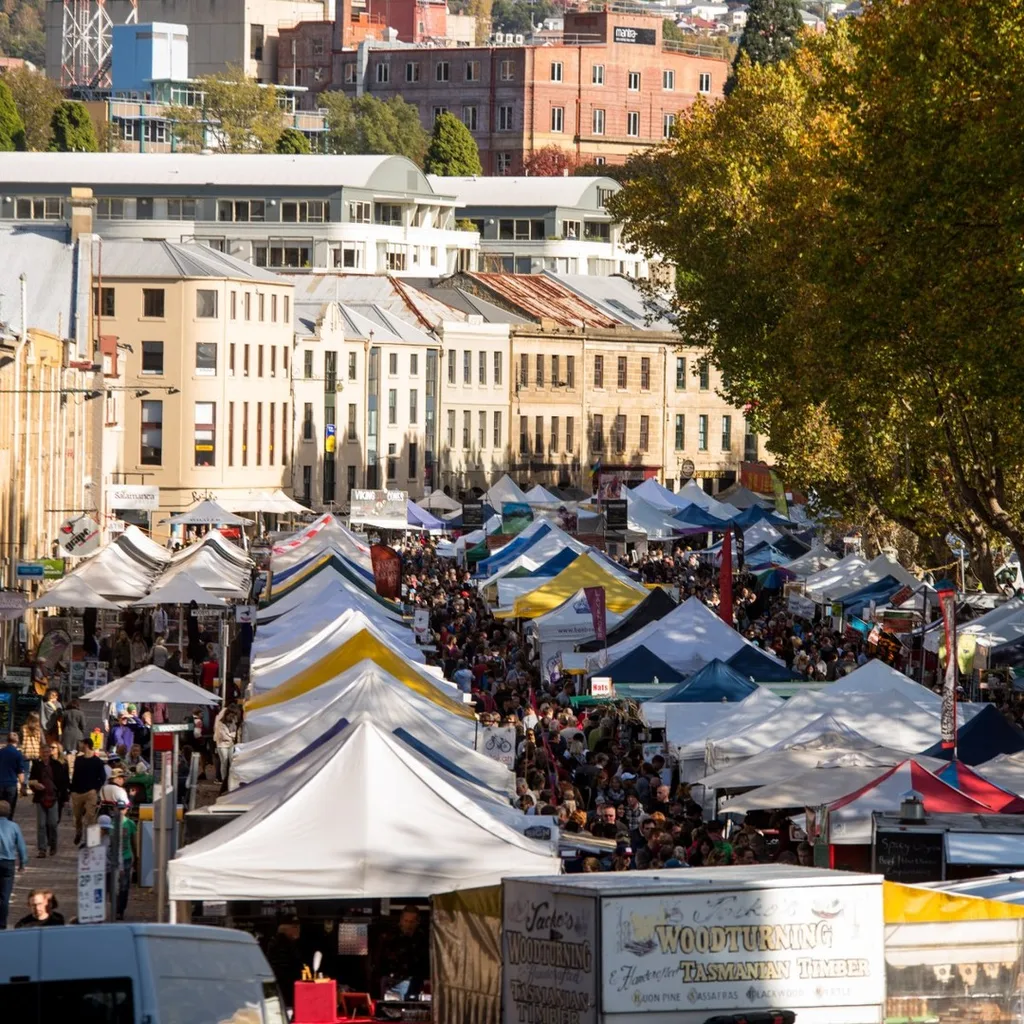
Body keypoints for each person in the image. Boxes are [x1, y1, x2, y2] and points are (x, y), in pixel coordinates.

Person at [374, 905, 430, 998]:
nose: (408, 925)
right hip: (393, 981)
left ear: (417, 922)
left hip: (415, 981)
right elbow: (379, 959)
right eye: (406, 921)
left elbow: (426, 960)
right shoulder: (390, 937)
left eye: (411, 922)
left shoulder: (422, 938)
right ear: (401, 920)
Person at [29, 741, 69, 857]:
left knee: (52, 823)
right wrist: (35, 785)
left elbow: (63, 783)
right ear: (40, 753)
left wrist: (65, 798)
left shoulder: (57, 765)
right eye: (43, 752)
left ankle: (53, 845)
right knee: (41, 825)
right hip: (41, 797)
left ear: (50, 753)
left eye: (47, 751)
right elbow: (31, 780)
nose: (45, 754)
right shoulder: (37, 765)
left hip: (54, 797)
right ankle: (42, 849)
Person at [70, 739, 106, 845]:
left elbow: (102, 777)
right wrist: (72, 790)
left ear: (86, 745)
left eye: (81, 743)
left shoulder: (97, 761)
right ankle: (78, 831)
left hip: (90, 792)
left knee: (90, 817)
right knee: (77, 817)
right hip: (77, 792)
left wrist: (96, 789)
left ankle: (92, 841)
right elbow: (75, 776)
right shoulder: (78, 760)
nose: (79, 745)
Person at [266, 917, 305, 1010]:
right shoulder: (283, 943)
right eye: (295, 927)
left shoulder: (277, 941)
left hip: (280, 983)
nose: (298, 930)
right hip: (285, 984)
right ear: (288, 929)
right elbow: (287, 965)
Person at [0, 800, 26, 929]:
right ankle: (2, 923)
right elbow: (21, 846)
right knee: (5, 895)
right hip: (8, 862)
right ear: (9, 812)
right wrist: (22, 863)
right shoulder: (14, 826)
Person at [0, 732, 27, 817]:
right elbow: (20, 772)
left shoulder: (1, 752)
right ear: (17, 741)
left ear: (7, 740)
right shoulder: (17, 754)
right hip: (11, 785)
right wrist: (23, 786)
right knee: (9, 811)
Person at [213, 705, 238, 788]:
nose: (232, 717)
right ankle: (224, 779)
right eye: (230, 716)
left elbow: (235, 732)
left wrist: (231, 736)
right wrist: (231, 736)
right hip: (222, 745)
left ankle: (231, 779)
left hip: (231, 744)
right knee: (224, 761)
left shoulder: (233, 721)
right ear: (226, 715)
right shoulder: (220, 723)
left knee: (232, 761)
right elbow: (223, 736)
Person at [19, 712, 42, 791]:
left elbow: (21, 739)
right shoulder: (39, 729)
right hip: (36, 752)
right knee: (37, 770)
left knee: (25, 771)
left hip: (26, 751)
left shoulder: (23, 728)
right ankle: (36, 786)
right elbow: (42, 741)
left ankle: (24, 787)